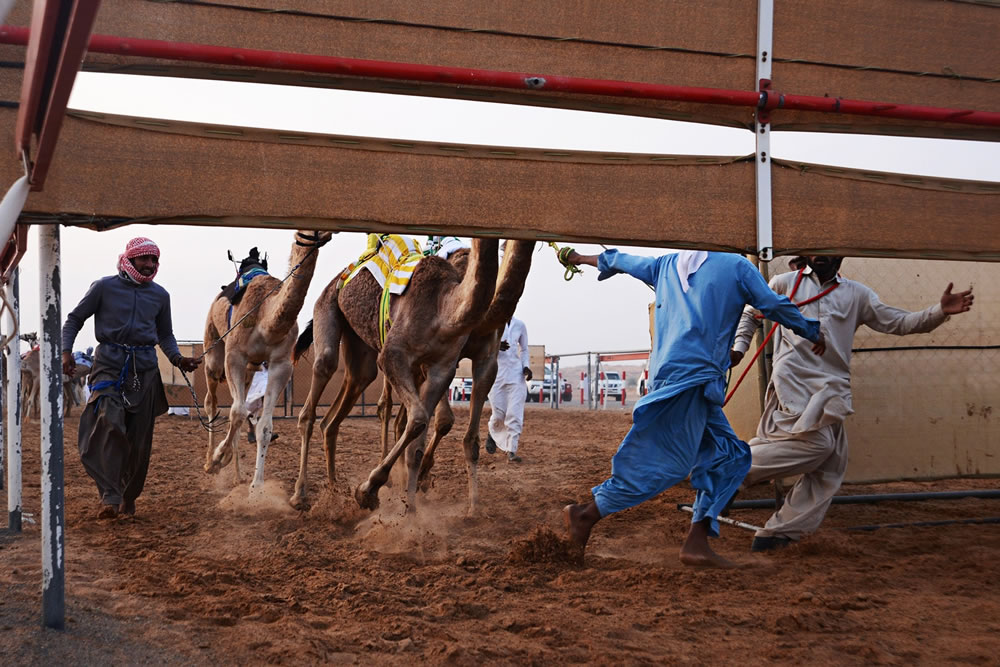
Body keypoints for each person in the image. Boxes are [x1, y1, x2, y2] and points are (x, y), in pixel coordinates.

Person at [561, 248, 825, 567]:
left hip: (681, 378)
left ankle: (695, 544)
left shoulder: (665, 264)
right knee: (669, 465)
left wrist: (576, 257)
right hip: (692, 380)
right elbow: (771, 304)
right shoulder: (737, 266)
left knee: (729, 457)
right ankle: (586, 514)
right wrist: (811, 330)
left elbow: (619, 260)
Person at [730, 255, 974, 551]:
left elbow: (899, 323)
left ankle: (780, 534)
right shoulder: (783, 283)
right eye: (814, 247)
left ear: (841, 253)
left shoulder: (857, 293)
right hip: (792, 381)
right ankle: (730, 470)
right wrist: (739, 349)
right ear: (806, 252)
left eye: (828, 247)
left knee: (831, 466)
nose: (821, 254)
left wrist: (939, 311)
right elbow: (751, 313)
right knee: (817, 446)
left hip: (832, 386)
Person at [62, 237, 201, 520]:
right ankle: (109, 496)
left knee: (139, 440)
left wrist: (178, 359)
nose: (150, 265)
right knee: (109, 423)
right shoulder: (103, 287)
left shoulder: (160, 296)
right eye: (144, 259)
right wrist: (66, 352)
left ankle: (128, 496)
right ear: (130, 259)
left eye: (154, 260)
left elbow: (165, 335)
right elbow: (75, 319)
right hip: (109, 366)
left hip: (145, 370)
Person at [485, 316, 532, 463]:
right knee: (499, 414)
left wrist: (526, 366)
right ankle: (492, 433)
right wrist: (496, 346)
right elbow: (482, 345)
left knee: (515, 414)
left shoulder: (520, 324)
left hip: (516, 374)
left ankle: (512, 450)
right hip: (496, 374)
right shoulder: (492, 322)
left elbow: (524, 349)